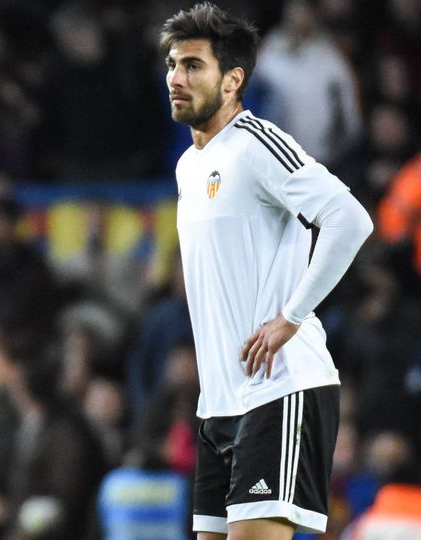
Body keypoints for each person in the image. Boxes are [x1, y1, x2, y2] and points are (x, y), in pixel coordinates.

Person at [159, 4, 373, 539]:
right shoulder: (189, 166)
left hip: (280, 390)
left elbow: (349, 219)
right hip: (220, 404)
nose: (176, 79)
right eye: (172, 65)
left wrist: (293, 316)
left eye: (192, 66)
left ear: (233, 80)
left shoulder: (256, 144)